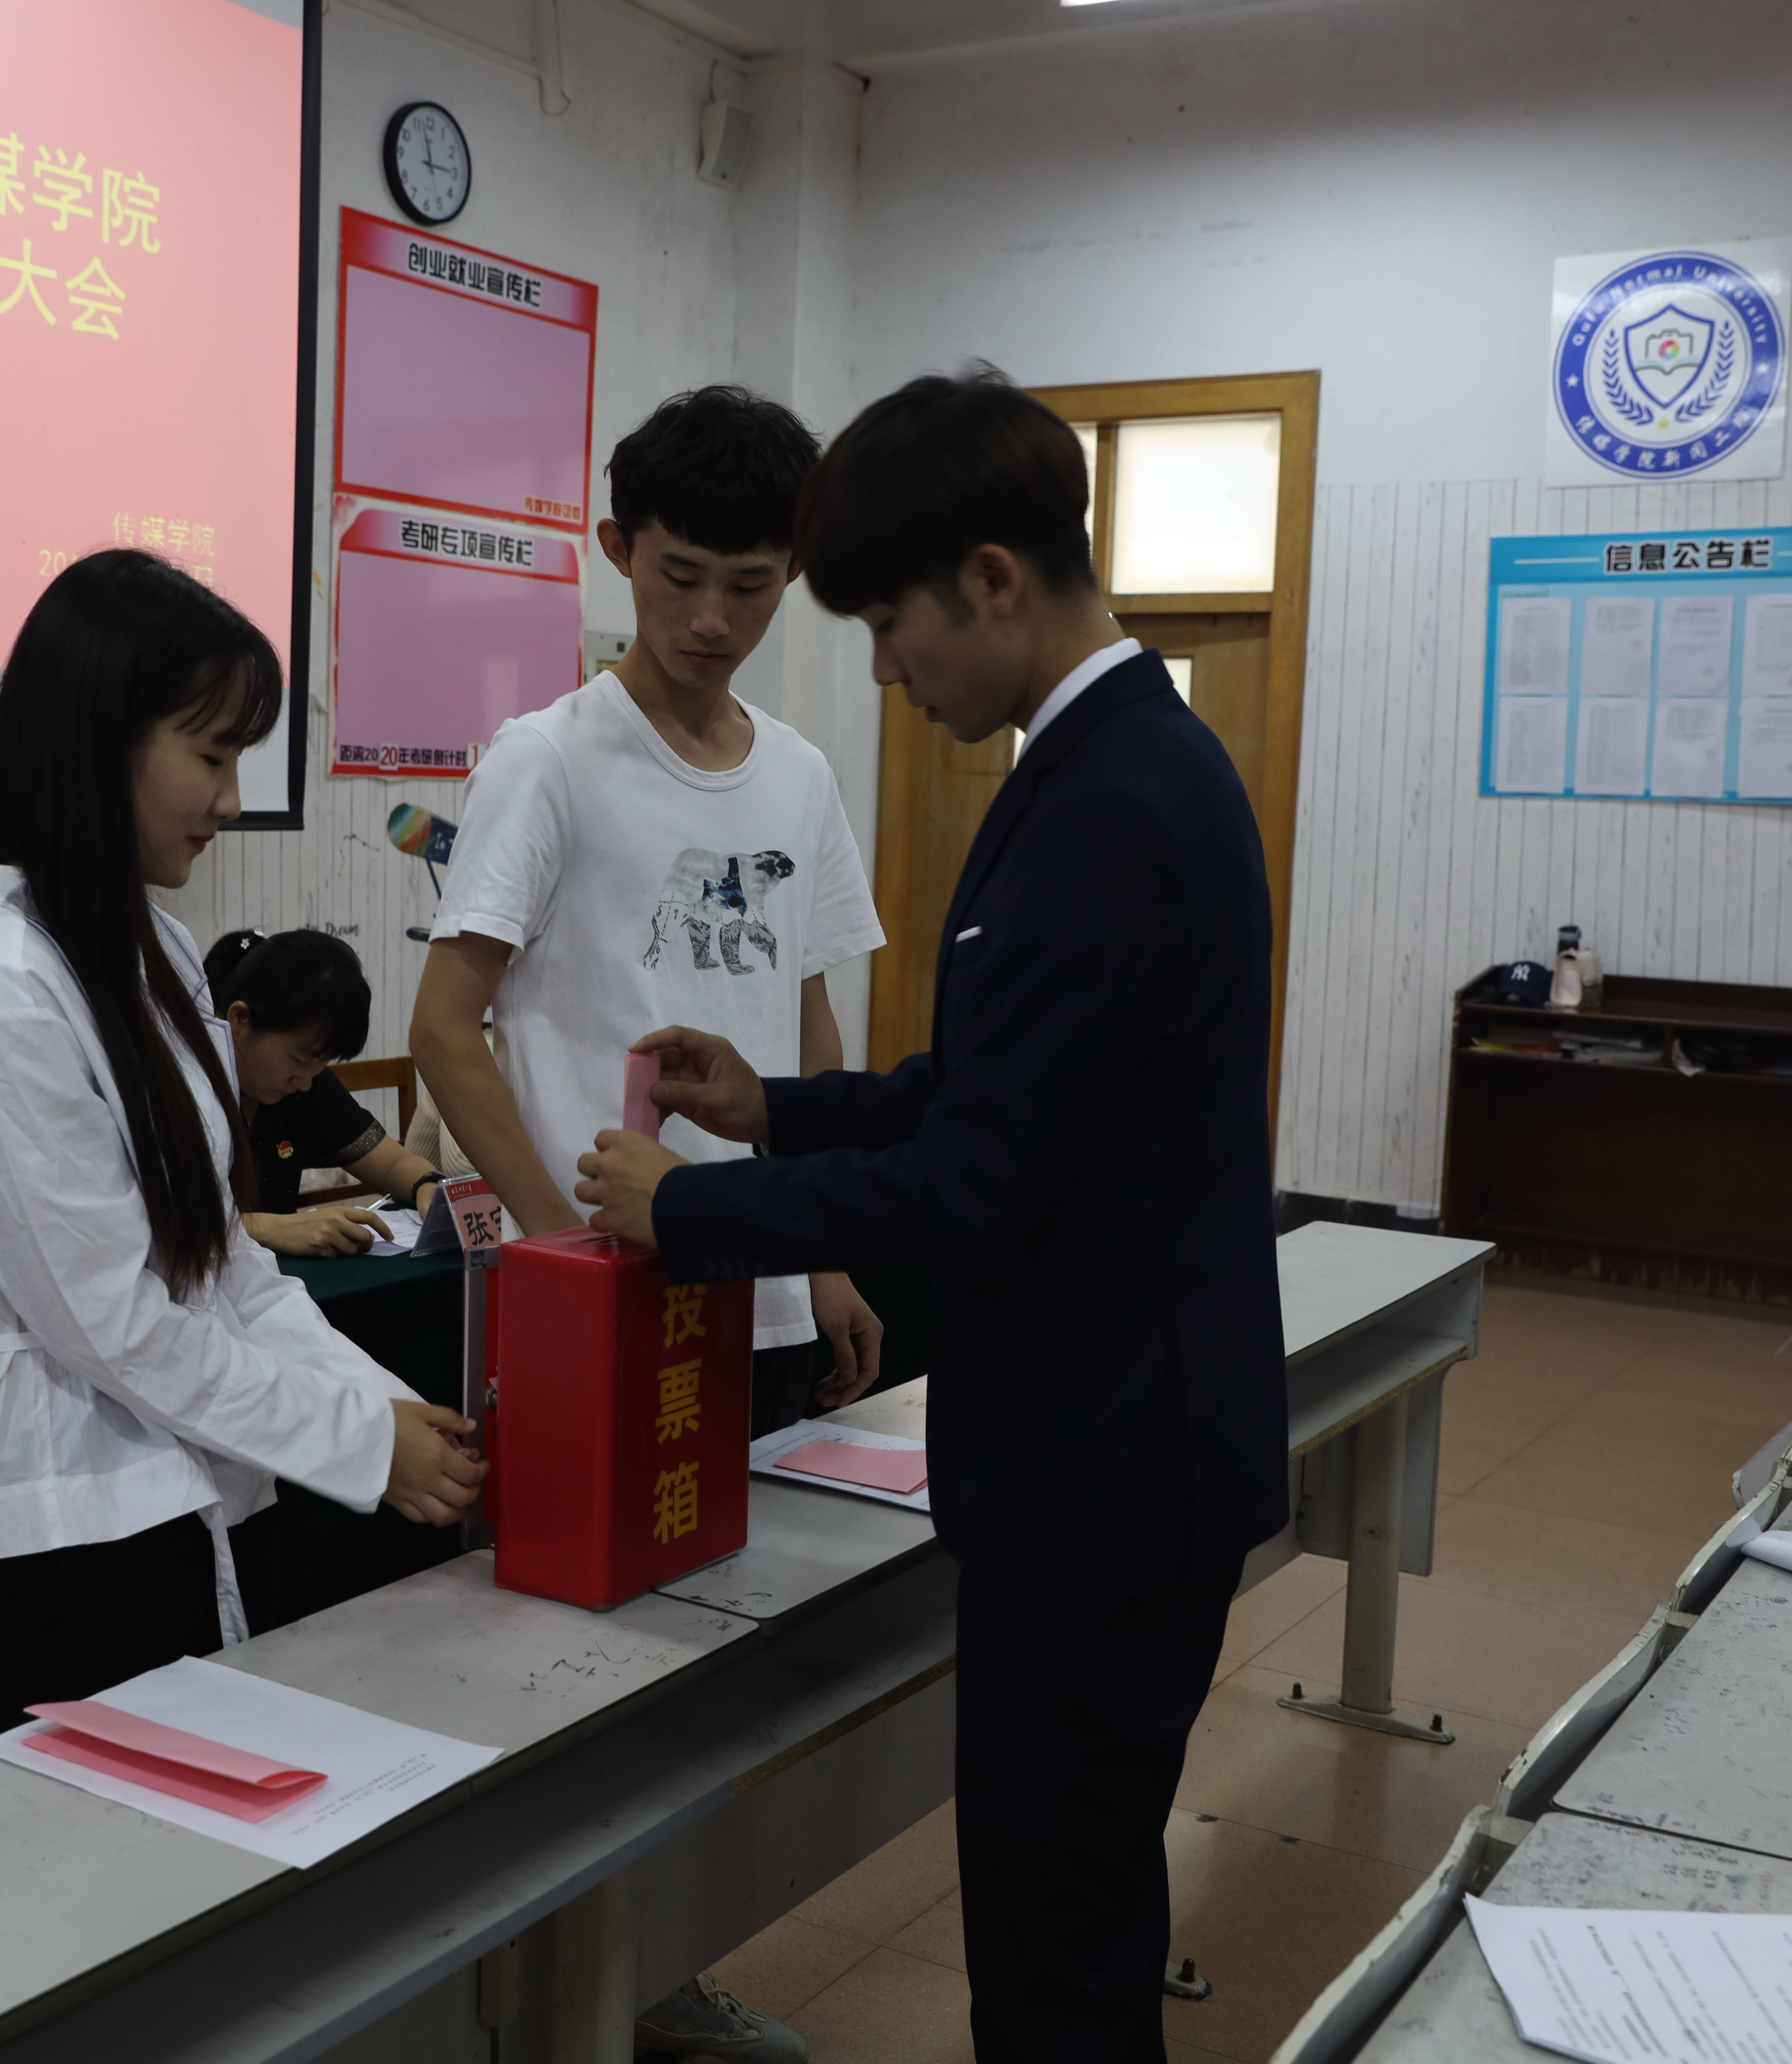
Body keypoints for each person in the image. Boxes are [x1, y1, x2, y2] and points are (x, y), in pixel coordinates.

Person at [573, 369, 1286, 2063]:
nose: (886, 671)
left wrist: (690, 1211)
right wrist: (774, 1106)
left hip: (1102, 1472)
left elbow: (973, 1181)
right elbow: (989, 1086)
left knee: (1054, 1947)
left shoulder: (1110, 802)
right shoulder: (1110, 761)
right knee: (1062, 1910)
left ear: (989, 578)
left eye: (888, 625)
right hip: (1117, 1448)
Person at [0, 548, 485, 1755]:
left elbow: (225, 1269)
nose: (232, 800)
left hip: (181, 1495)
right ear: (98, 743)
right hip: (55, 1534)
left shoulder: (150, 944)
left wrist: (391, 1410)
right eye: (211, 756)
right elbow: (111, 1322)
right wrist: (363, 1443)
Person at [410, 384, 890, 1441]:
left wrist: (824, 1255)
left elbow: (805, 1026)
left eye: (750, 584)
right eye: (681, 576)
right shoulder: (546, 761)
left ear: (794, 571)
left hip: (764, 1284)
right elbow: (443, 1029)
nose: (712, 618)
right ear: (619, 550)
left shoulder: (801, 774)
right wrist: (561, 1252)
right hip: (603, 1280)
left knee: (767, 1545)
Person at [201, 927, 445, 1257]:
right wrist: (267, 1228)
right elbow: (162, 1220)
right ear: (240, 1019)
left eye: (320, 1064)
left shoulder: (302, 1085)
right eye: (300, 1060)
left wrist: (427, 1186)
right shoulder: (177, 1087)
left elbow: (392, 1164)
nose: (305, 1083)